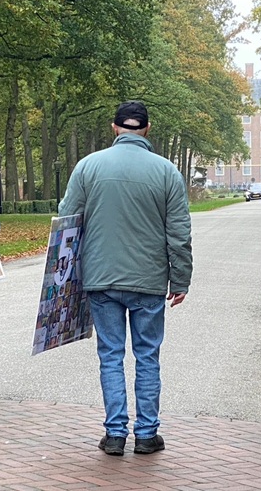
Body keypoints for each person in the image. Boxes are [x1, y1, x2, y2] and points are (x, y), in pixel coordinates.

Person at [59, 100, 193, 456]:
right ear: (147, 130)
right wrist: (180, 280)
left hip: (101, 278)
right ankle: (147, 434)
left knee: (110, 355)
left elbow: (66, 217)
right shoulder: (167, 172)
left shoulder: (88, 167)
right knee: (148, 355)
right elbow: (179, 234)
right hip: (149, 280)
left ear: (114, 128)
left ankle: (115, 432)